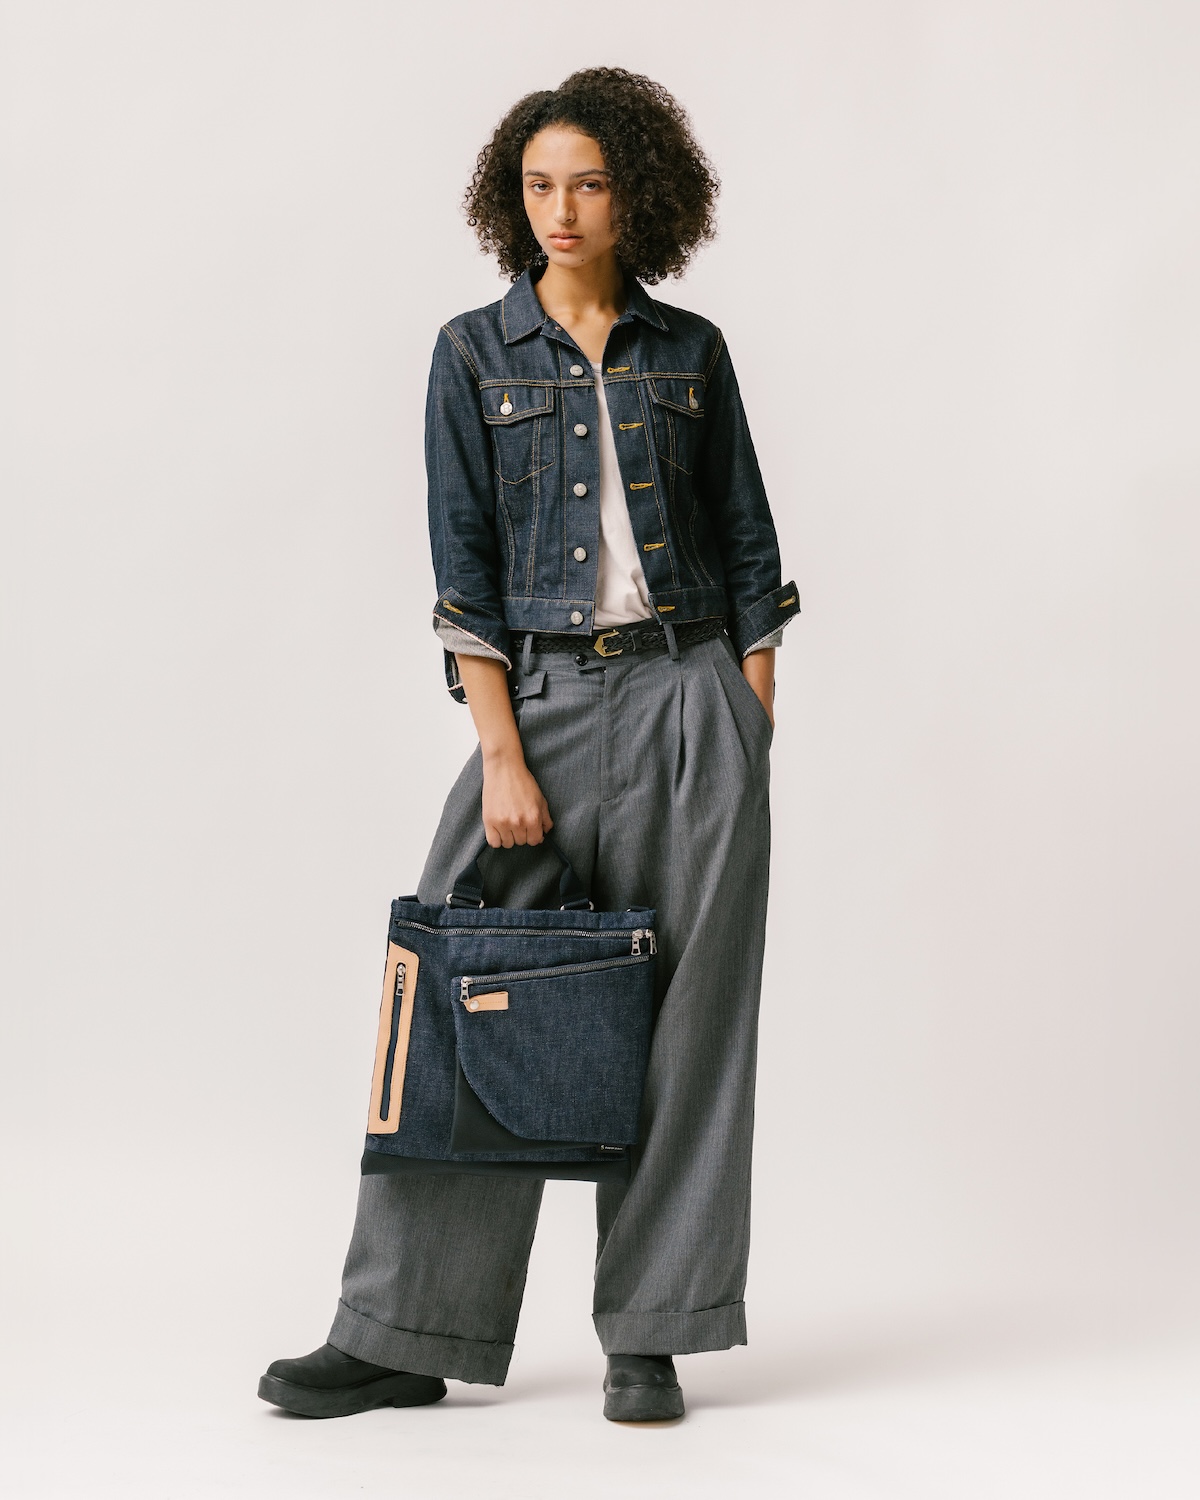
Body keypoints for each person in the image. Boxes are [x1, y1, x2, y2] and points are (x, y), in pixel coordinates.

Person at [258, 65, 799, 1425]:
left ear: (638, 197)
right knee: (455, 992)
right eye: (539, 185)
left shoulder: (692, 353)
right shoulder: (470, 356)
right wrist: (502, 755)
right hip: (541, 705)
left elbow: (747, 545)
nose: (562, 209)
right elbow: (467, 575)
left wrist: (746, 713)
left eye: (590, 184)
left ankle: (651, 1335)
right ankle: (402, 1329)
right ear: (513, 199)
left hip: (689, 702)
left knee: (689, 1025)